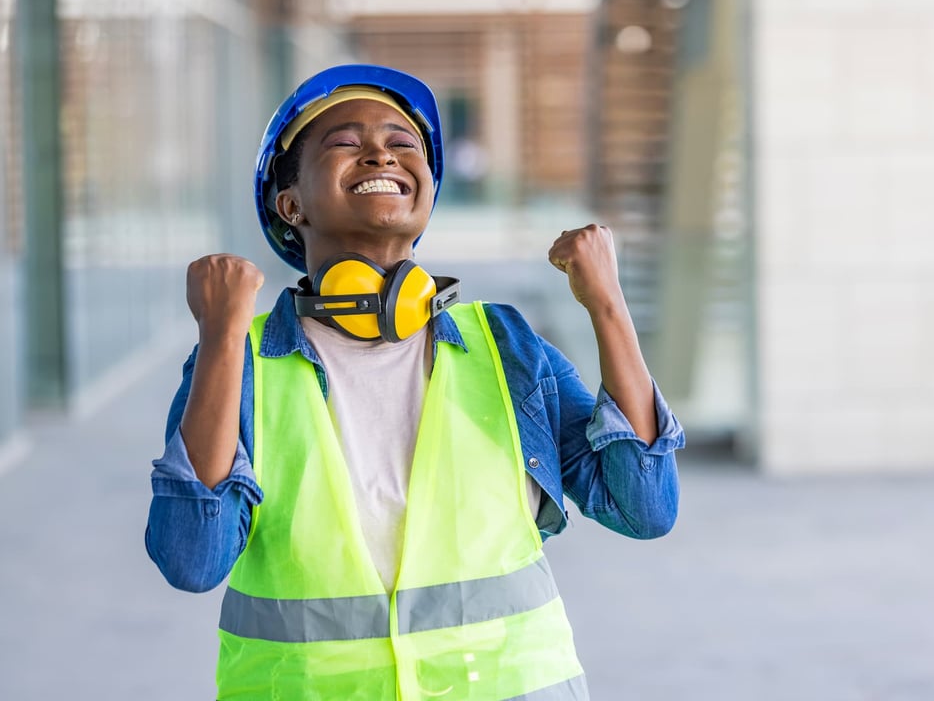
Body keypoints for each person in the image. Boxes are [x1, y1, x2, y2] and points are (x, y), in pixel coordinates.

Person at [145, 64, 684, 700]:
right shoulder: (246, 358)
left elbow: (644, 509)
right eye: (345, 141)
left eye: (404, 144)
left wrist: (608, 306)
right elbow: (193, 560)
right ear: (289, 204)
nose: (381, 152)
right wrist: (219, 337)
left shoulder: (504, 347)